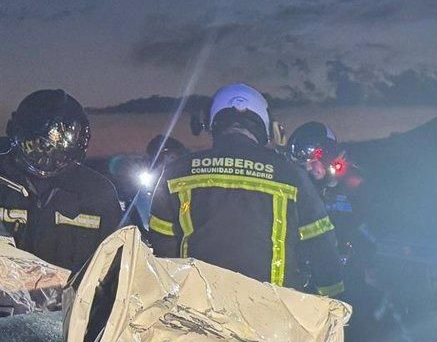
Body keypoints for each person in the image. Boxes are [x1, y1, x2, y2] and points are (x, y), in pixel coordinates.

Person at [150, 84, 342, 295]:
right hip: (273, 313)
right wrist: (334, 299)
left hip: (198, 310)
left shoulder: (176, 172)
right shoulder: (290, 174)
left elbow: (161, 249)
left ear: (212, 123)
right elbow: (321, 246)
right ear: (265, 127)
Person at [0, 89, 123, 271]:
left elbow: (118, 264)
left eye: (59, 151)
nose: (49, 158)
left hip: (73, 299)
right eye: (41, 146)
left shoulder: (98, 193)